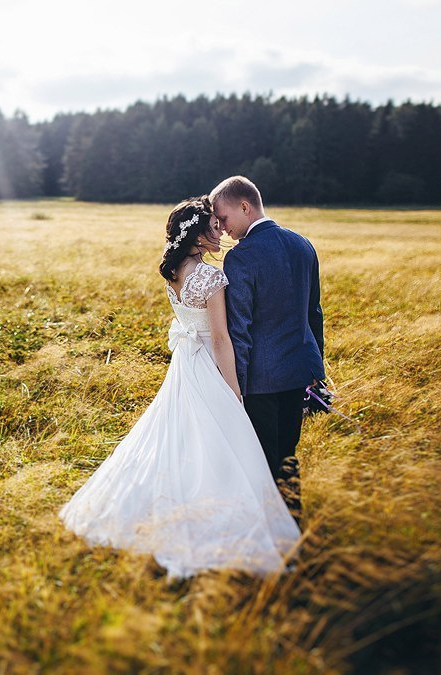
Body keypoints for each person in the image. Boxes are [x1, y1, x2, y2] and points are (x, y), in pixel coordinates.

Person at [59, 196, 301, 578]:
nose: (221, 231)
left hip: (184, 365)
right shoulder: (210, 276)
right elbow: (221, 339)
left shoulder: (176, 272)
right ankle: (216, 520)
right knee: (217, 442)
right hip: (207, 364)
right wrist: (233, 390)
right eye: (214, 226)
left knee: (178, 437)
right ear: (199, 235)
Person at [210, 176, 324, 509]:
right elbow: (313, 312)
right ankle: (293, 521)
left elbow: (240, 330)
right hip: (299, 373)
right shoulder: (303, 243)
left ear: (245, 206)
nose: (223, 228)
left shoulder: (242, 257)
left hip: (260, 382)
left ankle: (273, 537)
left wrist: (236, 389)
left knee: (261, 461)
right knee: (287, 456)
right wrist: (316, 368)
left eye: (225, 218)